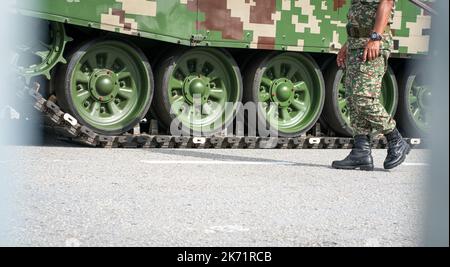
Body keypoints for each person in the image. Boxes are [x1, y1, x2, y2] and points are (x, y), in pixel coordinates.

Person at [332, 0, 410, 171]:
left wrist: (375, 38)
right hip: (357, 43)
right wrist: (349, 43)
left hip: (373, 43)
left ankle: (395, 139)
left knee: (363, 97)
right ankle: (361, 151)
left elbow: (387, 2)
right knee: (352, 97)